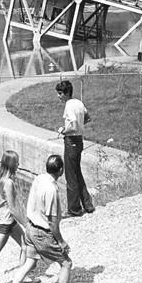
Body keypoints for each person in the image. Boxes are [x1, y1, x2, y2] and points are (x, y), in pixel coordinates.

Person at [8, 154, 71, 283]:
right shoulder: (51, 190)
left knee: (30, 262)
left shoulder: (39, 178)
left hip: (30, 227)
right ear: (61, 170)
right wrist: (61, 242)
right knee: (66, 263)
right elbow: (52, 223)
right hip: (42, 232)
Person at [0, 151, 39, 283]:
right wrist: (26, 224)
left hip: (4, 220)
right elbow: (12, 209)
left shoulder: (0, 177)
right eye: (17, 162)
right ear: (12, 165)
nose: (19, 164)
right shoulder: (9, 183)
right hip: (6, 223)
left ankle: (23, 276)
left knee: (25, 245)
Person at [55, 80, 95, 217]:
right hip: (79, 140)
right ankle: (88, 205)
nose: (58, 96)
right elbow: (88, 118)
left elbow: (71, 124)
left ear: (66, 93)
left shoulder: (69, 106)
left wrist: (64, 130)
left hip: (71, 140)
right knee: (77, 173)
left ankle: (74, 209)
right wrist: (79, 125)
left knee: (71, 176)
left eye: (60, 94)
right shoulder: (79, 103)